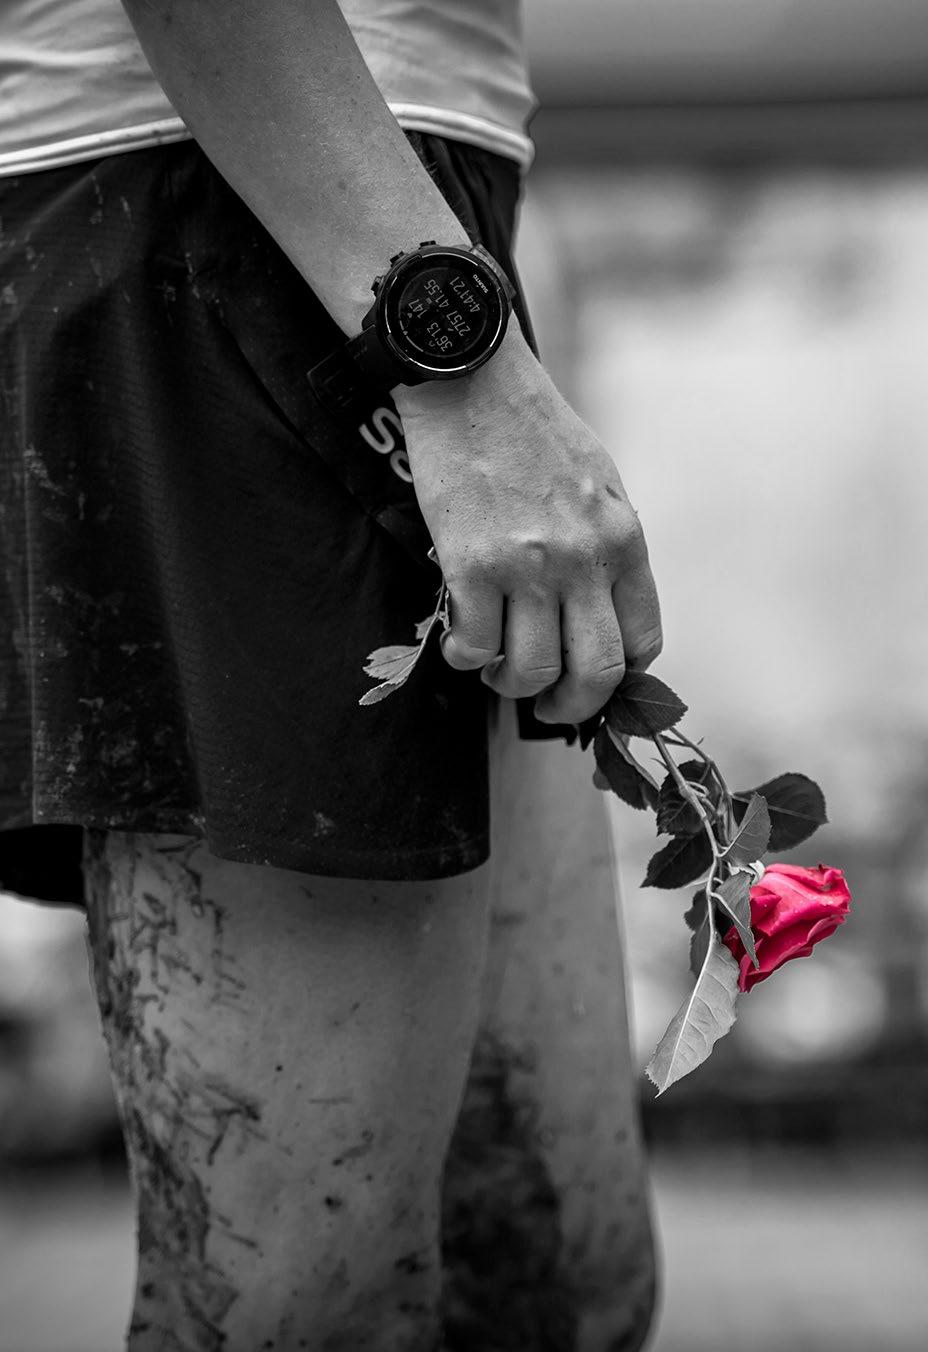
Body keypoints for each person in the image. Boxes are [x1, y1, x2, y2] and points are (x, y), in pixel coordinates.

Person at [0, 2, 663, 1348]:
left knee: (547, 1279)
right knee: (309, 1307)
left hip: (375, 205)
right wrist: (459, 364)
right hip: (240, 213)